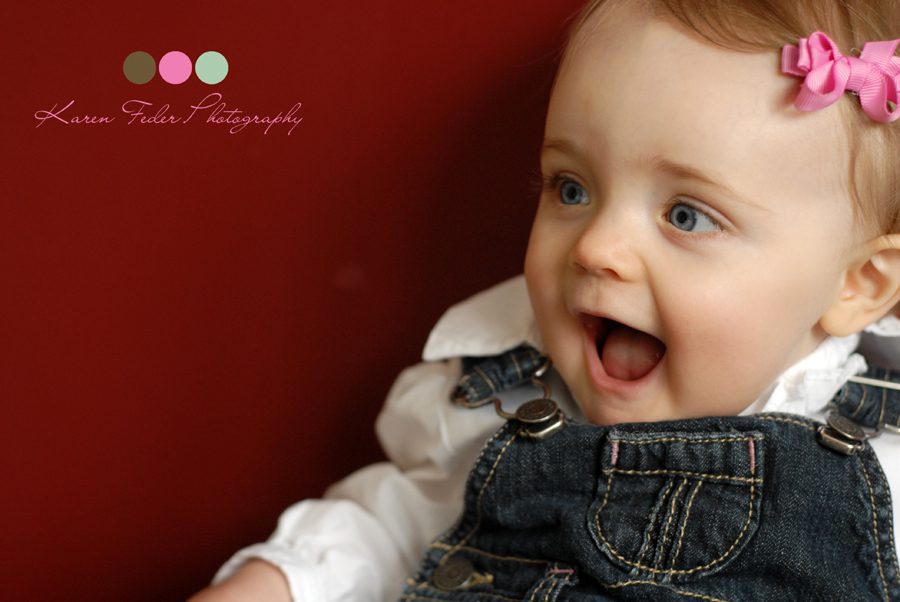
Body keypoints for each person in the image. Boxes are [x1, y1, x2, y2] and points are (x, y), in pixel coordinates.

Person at [190, 0, 900, 599]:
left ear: (858, 284)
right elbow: (396, 527)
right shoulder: (511, 403)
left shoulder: (883, 480)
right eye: (572, 188)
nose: (595, 247)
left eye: (686, 216)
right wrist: (274, 583)